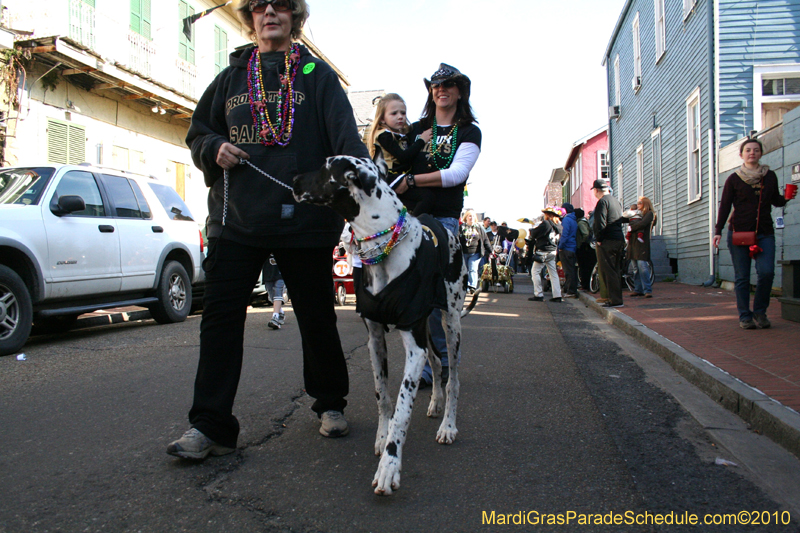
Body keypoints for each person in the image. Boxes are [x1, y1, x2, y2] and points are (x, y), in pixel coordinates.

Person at [167, 0, 369, 460]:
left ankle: (331, 404)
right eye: (259, 5)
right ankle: (210, 426)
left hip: (304, 220)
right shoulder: (229, 79)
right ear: (250, 17)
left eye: (280, 4)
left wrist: (356, 197)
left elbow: (347, 145)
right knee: (219, 323)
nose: (269, 12)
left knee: (317, 316)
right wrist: (214, 146)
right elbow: (198, 133)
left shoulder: (318, 77)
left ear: (294, 14)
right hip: (235, 219)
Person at [394, 63, 481, 388]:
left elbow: (457, 174)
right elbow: (393, 158)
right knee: (413, 297)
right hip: (409, 218)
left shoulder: (470, 131)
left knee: (440, 301)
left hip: (443, 222)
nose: (440, 90)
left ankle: (444, 363)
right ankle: (427, 365)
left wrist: (413, 179)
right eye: (435, 86)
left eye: (448, 85)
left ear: (459, 91)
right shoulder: (417, 129)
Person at [714, 138, 795, 329]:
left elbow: (775, 200)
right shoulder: (734, 179)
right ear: (741, 154)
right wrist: (717, 231)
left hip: (764, 232)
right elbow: (725, 206)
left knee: (766, 273)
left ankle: (760, 312)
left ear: (760, 153)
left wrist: (787, 198)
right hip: (739, 233)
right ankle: (745, 316)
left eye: (756, 150)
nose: (752, 153)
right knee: (742, 276)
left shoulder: (770, 176)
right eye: (748, 150)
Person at [367, 93, 434, 215]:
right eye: (394, 113)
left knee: (422, 199)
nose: (400, 117)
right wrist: (421, 140)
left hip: (399, 176)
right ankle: (413, 226)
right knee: (426, 197)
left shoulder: (402, 134)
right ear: (382, 118)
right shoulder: (384, 135)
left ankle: (404, 224)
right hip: (388, 177)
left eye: (403, 113)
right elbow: (403, 157)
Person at [592, 179, 625, 308]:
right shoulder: (615, 201)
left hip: (608, 240)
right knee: (616, 269)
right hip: (618, 238)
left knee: (608, 270)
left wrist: (599, 238)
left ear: (596, 190)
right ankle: (616, 298)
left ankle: (614, 300)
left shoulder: (602, 202)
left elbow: (600, 222)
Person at [529, 206, 563, 302]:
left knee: (535, 271)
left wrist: (533, 230)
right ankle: (557, 295)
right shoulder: (559, 225)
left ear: (548, 215)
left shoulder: (546, 224)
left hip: (543, 251)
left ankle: (538, 294)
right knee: (553, 273)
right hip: (553, 251)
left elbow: (534, 234)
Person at [626, 197, 656, 298]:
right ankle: (638, 289)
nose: (638, 205)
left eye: (640, 203)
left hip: (642, 244)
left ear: (645, 204)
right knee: (635, 268)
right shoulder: (636, 214)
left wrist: (632, 228)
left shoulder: (649, 214)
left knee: (642, 266)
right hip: (633, 243)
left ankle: (647, 289)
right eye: (638, 203)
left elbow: (642, 224)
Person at [461, 209, 491, 293]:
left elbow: (485, 240)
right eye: (469, 216)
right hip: (464, 252)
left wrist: (491, 251)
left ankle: (472, 286)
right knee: (465, 269)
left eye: (473, 216)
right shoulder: (462, 227)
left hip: (475, 253)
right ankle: (465, 286)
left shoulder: (479, 227)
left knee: (473, 269)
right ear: (466, 217)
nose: (471, 217)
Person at [558, 202, 578, 298]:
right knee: (572, 270)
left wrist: (560, 246)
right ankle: (571, 289)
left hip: (566, 248)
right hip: (572, 247)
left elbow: (564, 235)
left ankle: (571, 291)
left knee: (568, 271)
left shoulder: (566, 220)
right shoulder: (574, 219)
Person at [261, 255, 287, 329]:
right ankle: (280, 312)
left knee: (278, 293)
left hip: (280, 274)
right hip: (268, 273)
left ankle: (275, 317)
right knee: (271, 297)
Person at [575, 208, 595, 291]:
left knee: (584, 267)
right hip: (587, 247)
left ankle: (585, 285)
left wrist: (582, 243)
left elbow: (585, 234)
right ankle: (586, 284)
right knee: (586, 267)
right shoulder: (584, 221)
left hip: (584, 248)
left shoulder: (580, 223)